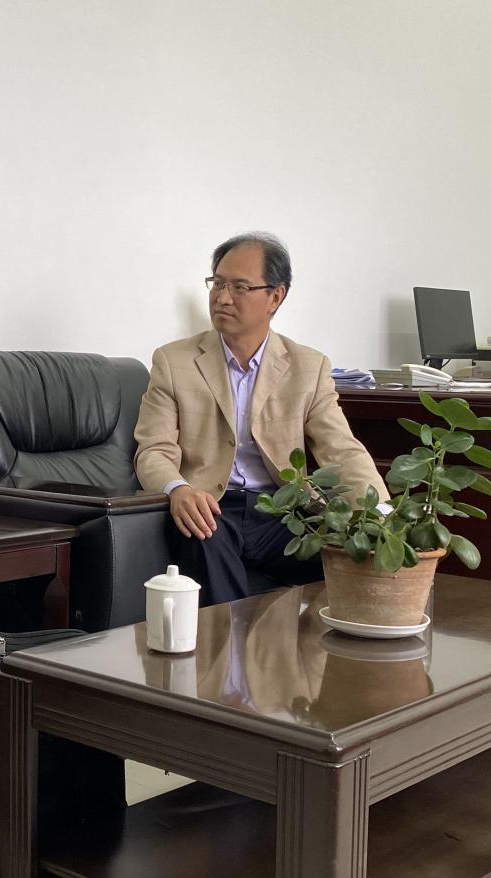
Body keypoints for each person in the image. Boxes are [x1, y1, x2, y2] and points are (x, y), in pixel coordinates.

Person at [133, 232, 387, 604]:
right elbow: (153, 450)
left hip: (283, 510)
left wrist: (382, 514)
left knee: (348, 549)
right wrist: (179, 489)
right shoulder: (173, 361)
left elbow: (341, 450)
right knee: (201, 535)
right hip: (212, 507)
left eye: (239, 287)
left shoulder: (308, 366)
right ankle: (231, 640)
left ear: (275, 297)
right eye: (217, 283)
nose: (222, 298)